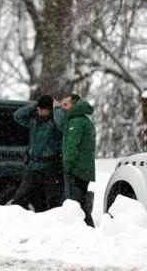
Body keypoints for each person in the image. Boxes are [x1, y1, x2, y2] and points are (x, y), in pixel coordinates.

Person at [11, 95, 65, 212]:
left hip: (51, 169)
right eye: (38, 108)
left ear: (49, 109)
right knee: (18, 201)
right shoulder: (34, 121)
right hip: (32, 167)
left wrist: (56, 109)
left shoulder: (55, 122)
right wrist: (35, 104)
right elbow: (17, 115)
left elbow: (62, 124)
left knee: (53, 204)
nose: (39, 111)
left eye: (42, 109)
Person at [60, 94, 96, 227]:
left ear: (74, 106)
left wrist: (67, 166)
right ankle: (87, 228)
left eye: (66, 105)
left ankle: (88, 228)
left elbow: (71, 147)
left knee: (76, 203)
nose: (62, 108)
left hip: (77, 168)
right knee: (80, 202)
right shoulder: (83, 121)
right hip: (84, 168)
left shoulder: (75, 122)